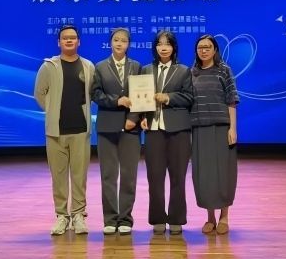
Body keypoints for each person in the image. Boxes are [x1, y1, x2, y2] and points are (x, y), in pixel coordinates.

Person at [34, 25, 95, 236]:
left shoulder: (88, 66)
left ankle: (78, 215)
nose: (69, 40)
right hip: (55, 132)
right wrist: (53, 111)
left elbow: (92, 94)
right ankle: (61, 215)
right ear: (59, 42)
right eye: (65, 38)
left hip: (81, 130)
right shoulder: (48, 66)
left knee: (79, 176)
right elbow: (39, 93)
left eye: (73, 37)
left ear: (79, 41)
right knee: (58, 176)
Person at [140, 30, 193, 235]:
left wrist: (168, 97)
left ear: (174, 48)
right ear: (155, 47)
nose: (163, 48)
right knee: (155, 177)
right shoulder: (146, 69)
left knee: (178, 177)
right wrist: (142, 116)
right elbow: (140, 97)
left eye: (168, 44)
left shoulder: (183, 70)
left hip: (178, 130)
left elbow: (189, 97)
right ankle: (158, 219)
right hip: (153, 130)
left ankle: (177, 219)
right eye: (160, 44)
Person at [91, 28, 142, 235]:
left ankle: (126, 219)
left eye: (123, 41)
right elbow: (95, 94)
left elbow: (141, 96)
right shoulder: (100, 67)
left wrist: (133, 119)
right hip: (107, 126)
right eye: (116, 40)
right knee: (108, 175)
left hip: (130, 128)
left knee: (129, 175)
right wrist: (116, 101)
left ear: (129, 44)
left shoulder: (136, 66)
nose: (119, 43)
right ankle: (110, 219)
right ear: (110, 43)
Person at [190, 34, 238, 235]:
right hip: (199, 128)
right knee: (205, 175)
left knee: (223, 173)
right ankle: (210, 217)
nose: (204, 50)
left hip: (221, 128)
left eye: (208, 47)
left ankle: (224, 216)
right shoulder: (192, 72)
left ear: (215, 50)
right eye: (200, 47)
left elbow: (231, 99)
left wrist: (232, 128)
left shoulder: (224, 70)